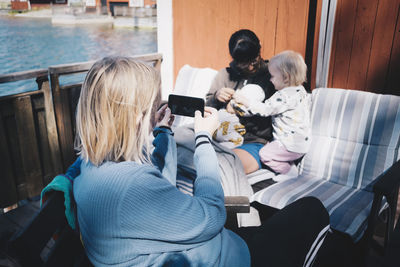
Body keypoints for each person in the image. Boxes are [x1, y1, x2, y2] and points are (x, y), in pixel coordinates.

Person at [71, 56, 329, 267]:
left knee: (257, 213)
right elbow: (214, 215)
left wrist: (163, 132)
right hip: (232, 257)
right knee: (312, 209)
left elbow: (162, 184)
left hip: (213, 245)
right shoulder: (133, 187)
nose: (157, 109)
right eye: (153, 105)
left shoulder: (90, 166)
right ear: (136, 117)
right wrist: (203, 138)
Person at [232, 50, 311, 181]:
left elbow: (265, 109)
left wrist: (246, 101)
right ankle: (289, 165)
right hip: (301, 144)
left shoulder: (283, 96)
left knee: (265, 154)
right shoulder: (300, 91)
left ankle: (289, 172)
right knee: (271, 148)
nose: (270, 79)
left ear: (285, 77)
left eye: (273, 76)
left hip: (289, 145)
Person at [206, 29, 276, 174]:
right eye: (243, 64)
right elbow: (206, 107)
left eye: (254, 61)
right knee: (179, 140)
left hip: (253, 142)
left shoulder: (274, 76)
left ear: (260, 47)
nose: (250, 67)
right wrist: (216, 97)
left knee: (222, 166)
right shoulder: (224, 75)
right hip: (217, 135)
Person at [214, 84, 265, 149]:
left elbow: (229, 108)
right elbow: (232, 110)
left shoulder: (234, 99)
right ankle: (217, 148)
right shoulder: (242, 106)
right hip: (224, 127)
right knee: (238, 142)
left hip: (217, 125)